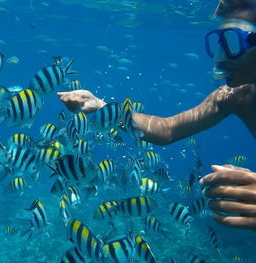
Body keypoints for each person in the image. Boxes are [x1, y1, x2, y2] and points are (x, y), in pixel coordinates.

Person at [57, 0, 256, 231]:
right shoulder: (235, 96)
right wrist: (102, 108)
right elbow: (167, 129)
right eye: (219, 42)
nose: (221, 58)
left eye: (232, 42)